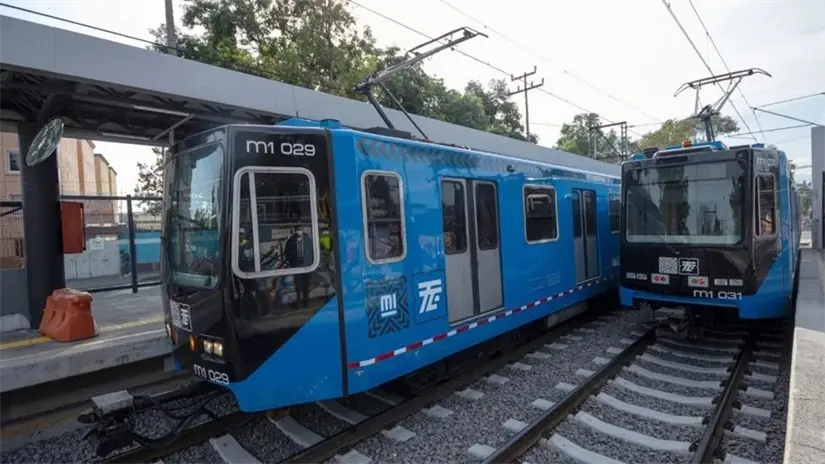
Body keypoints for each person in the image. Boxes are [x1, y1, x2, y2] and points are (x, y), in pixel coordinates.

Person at [284, 227, 314, 308]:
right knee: (297, 285)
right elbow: (287, 252)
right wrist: (291, 262)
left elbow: (313, 251)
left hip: (307, 265)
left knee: (306, 284)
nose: (298, 232)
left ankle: (306, 301)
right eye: (297, 230)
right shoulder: (291, 241)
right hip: (296, 265)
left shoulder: (308, 240)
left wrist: (312, 262)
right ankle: (299, 301)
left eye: (300, 230)